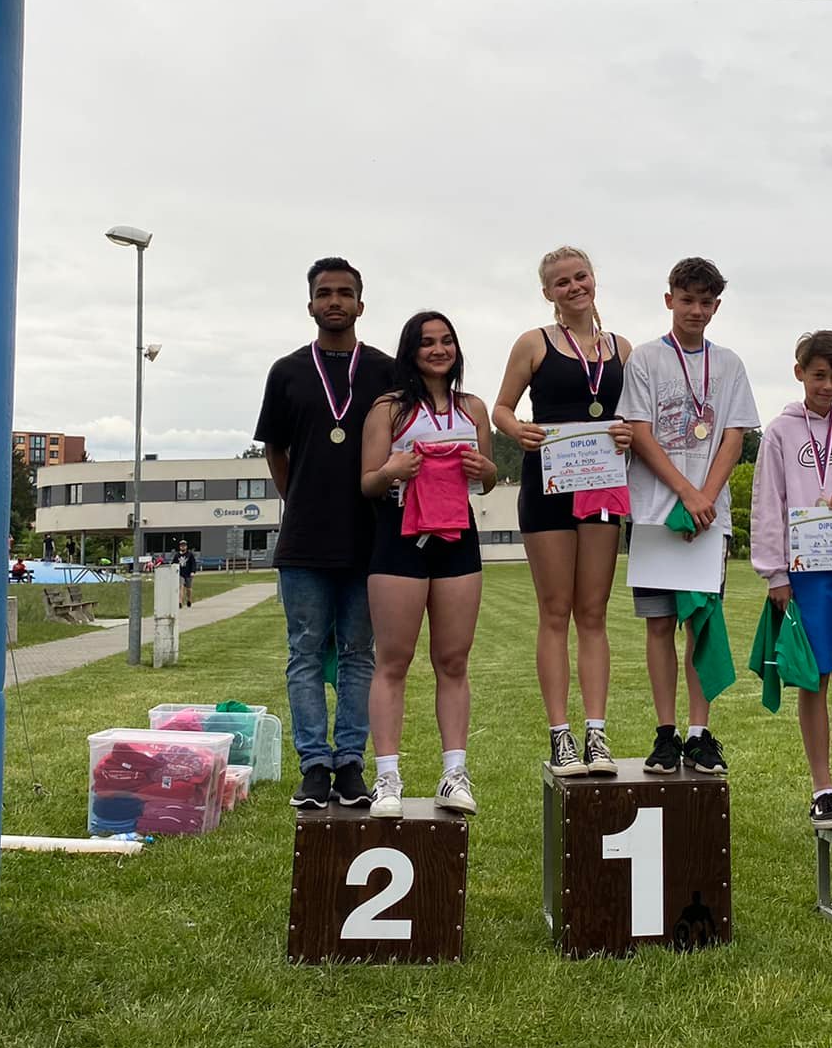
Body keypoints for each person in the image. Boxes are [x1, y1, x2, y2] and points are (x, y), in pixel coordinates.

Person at [254, 259, 399, 811]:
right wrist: (301, 499)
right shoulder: (287, 372)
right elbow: (275, 450)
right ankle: (315, 765)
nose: (334, 301)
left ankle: (351, 764)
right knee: (305, 653)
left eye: (344, 293)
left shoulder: (386, 372)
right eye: (324, 293)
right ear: (310, 304)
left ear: (361, 304)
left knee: (361, 654)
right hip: (305, 541)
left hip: (370, 537)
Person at [491, 245, 633, 777]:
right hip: (548, 485)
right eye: (562, 282)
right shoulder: (534, 343)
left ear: (594, 279)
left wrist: (627, 432)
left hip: (601, 487)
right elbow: (502, 408)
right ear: (547, 292)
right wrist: (517, 430)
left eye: (581, 277)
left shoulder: (622, 349)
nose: (574, 287)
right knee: (555, 611)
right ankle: (560, 736)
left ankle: (596, 733)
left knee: (593, 613)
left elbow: (635, 418)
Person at [617, 257, 759, 775]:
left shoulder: (729, 364)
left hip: (707, 521)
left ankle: (699, 734)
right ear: (669, 300)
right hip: (655, 515)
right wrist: (685, 492)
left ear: (716, 307)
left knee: (701, 624)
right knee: (659, 627)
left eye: (705, 302)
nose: (695, 310)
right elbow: (639, 431)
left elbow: (733, 436)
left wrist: (706, 496)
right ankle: (665, 733)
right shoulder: (646, 359)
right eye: (687, 299)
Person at [360, 312, 497, 816]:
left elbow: (486, 480)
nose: (439, 350)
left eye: (447, 341)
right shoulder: (389, 409)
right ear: (410, 351)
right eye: (427, 342)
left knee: (454, 661)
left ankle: (453, 774)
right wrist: (392, 470)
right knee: (393, 661)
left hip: (458, 536)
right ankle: (387, 779)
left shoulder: (473, 407)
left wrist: (487, 469)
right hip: (400, 537)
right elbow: (367, 482)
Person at [751, 331, 832, 830]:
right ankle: (821, 788)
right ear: (799, 372)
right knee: (815, 675)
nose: (827, 386)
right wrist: (774, 573)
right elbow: (768, 502)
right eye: (818, 375)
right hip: (805, 573)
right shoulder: (780, 432)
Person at [175, 540, 198, 607]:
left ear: (186, 546)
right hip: (180, 573)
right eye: (181, 546)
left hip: (188, 574)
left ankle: (189, 600)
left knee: (188, 588)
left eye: (184, 545)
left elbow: (193, 564)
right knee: (181, 587)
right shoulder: (177, 555)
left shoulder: (190, 555)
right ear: (180, 547)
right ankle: (180, 602)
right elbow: (174, 563)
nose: (183, 547)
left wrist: (193, 571)